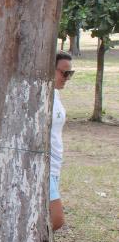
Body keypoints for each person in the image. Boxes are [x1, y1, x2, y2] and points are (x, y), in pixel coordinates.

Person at [51, 51, 73, 231]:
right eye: (63, 73)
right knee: (56, 220)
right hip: (46, 166)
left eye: (70, 74)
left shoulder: (56, 94)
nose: (66, 78)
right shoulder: (40, 96)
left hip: (56, 164)